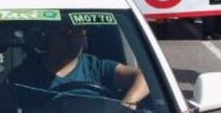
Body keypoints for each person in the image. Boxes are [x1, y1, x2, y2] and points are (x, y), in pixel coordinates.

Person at [9, 23, 148, 108]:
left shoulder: (96, 67)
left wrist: (128, 103)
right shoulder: (24, 76)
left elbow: (146, 77)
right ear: (45, 37)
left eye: (80, 32)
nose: (74, 39)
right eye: (66, 32)